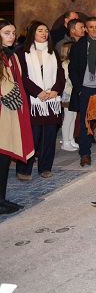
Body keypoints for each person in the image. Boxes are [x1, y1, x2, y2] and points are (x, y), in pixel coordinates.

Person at [15, 21, 65, 180]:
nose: (44, 33)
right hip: (32, 101)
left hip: (51, 101)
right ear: (32, 33)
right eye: (40, 30)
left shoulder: (53, 53)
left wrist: (56, 90)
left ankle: (45, 168)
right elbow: (22, 77)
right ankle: (24, 169)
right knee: (32, 135)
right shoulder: (22, 53)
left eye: (46, 31)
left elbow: (60, 74)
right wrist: (38, 92)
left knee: (49, 136)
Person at [0, 20, 34, 215]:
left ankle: (2, 198)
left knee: (4, 158)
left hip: (11, 111)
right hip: (3, 112)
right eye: (6, 33)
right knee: (2, 155)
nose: (11, 36)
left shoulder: (11, 55)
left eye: (13, 33)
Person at [67, 16, 96, 167]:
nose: (94, 29)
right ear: (86, 29)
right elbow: (72, 69)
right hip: (85, 88)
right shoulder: (79, 46)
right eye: (91, 27)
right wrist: (79, 89)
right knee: (86, 122)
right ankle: (85, 153)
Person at [59, 42, 79, 152]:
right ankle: (65, 141)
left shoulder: (72, 62)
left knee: (73, 117)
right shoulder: (65, 64)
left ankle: (71, 139)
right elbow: (68, 79)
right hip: (68, 93)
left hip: (73, 93)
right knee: (68, 118)